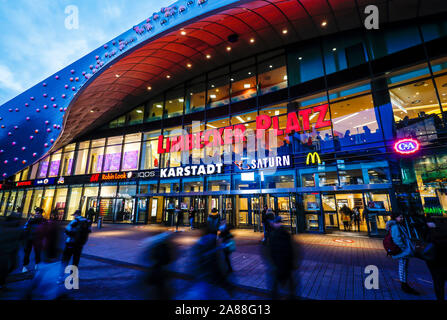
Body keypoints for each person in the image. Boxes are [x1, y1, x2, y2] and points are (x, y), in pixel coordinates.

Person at [385, 212, 419, 295]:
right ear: (395, 218)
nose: (402, 218)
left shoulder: (398, 225)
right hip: (403, 251)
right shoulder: (395, 226)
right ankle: (404, 285)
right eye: (400, 217)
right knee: (403, 267)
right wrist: (404, 248)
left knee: (403, 266)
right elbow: (397, 239)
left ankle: (404, 284)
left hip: (403, 251)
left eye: (402, 217)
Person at [267, 216, 297, 299]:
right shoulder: (286, 234)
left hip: (278, 264)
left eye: (274, 223)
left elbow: (270, 251)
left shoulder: (274, 235)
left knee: (275, 284)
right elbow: (292, 249)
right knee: (289, 284)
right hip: (286, 264)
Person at [59, 210, 91, 280]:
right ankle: (73, 276)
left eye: (74, 215)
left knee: (65, 259)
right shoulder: (86, 222)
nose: (74, 216)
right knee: (75, 261)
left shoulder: (74, 221)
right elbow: (88, 231)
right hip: (80, 244)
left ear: (76, 215)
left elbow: (67, 231)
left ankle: (61, 276)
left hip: (70, 243)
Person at [22, 208, 46, 272]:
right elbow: (25, 228)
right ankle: (25, 266)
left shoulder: (43, 221)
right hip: (30, 238)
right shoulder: (31, 220)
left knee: (37, 252)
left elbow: (46, 230)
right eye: (36, 213)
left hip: (38, 239)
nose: (36, 214)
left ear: (41, 214)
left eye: (38, 213)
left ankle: (37, 265)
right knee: (27, 252)